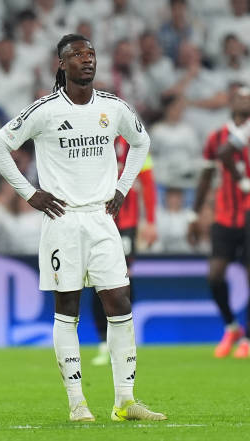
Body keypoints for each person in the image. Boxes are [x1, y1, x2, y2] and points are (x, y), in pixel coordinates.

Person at [0, 34, 166, 422]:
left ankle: (125, 401)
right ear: (62, 64)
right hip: (62, 220)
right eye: (78, 55)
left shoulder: (113, 107)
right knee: (67, 307)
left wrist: (122, 187)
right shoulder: (45, 110)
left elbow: (142, 142)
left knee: (119, 301)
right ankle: (77, 403)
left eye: (91, 54)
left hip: (102, 219)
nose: (87, 60)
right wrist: (30, 193)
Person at [189, 87, 250, 361]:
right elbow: (205, 177)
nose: (244, 101)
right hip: (224, 216)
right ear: (231, 103)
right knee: (215, 275)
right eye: (239, 97)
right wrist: (194, 215)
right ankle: (232, 327)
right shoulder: (217, 137)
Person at [91, 135, 157, 366]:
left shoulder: (133, 139)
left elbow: (147, 182)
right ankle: (103, 342)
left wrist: (150, 221)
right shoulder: (91, 136)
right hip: (96, 220)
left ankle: (121, 338)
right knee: (96, 278)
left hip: (127, 223)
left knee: (124, 279)